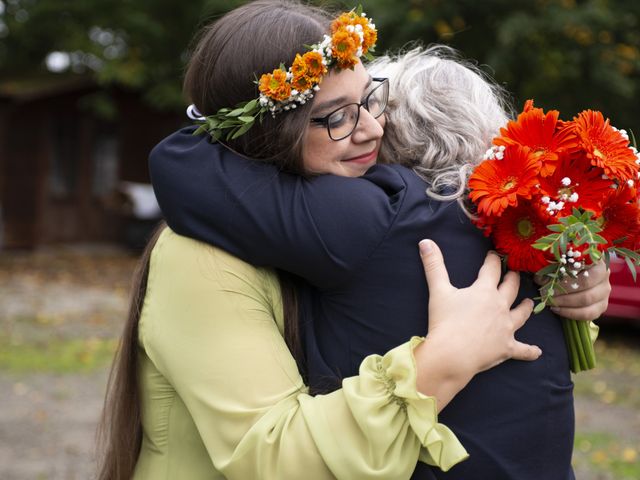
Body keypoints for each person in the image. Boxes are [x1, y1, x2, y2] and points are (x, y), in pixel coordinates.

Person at [96, 2, 553, 479]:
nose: (374, 129)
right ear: (269, 130)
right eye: (336, 117)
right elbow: (272, 457)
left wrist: (582, 278)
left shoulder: (322, 222)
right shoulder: (199, 257)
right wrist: (442, 362)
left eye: (372, 100)